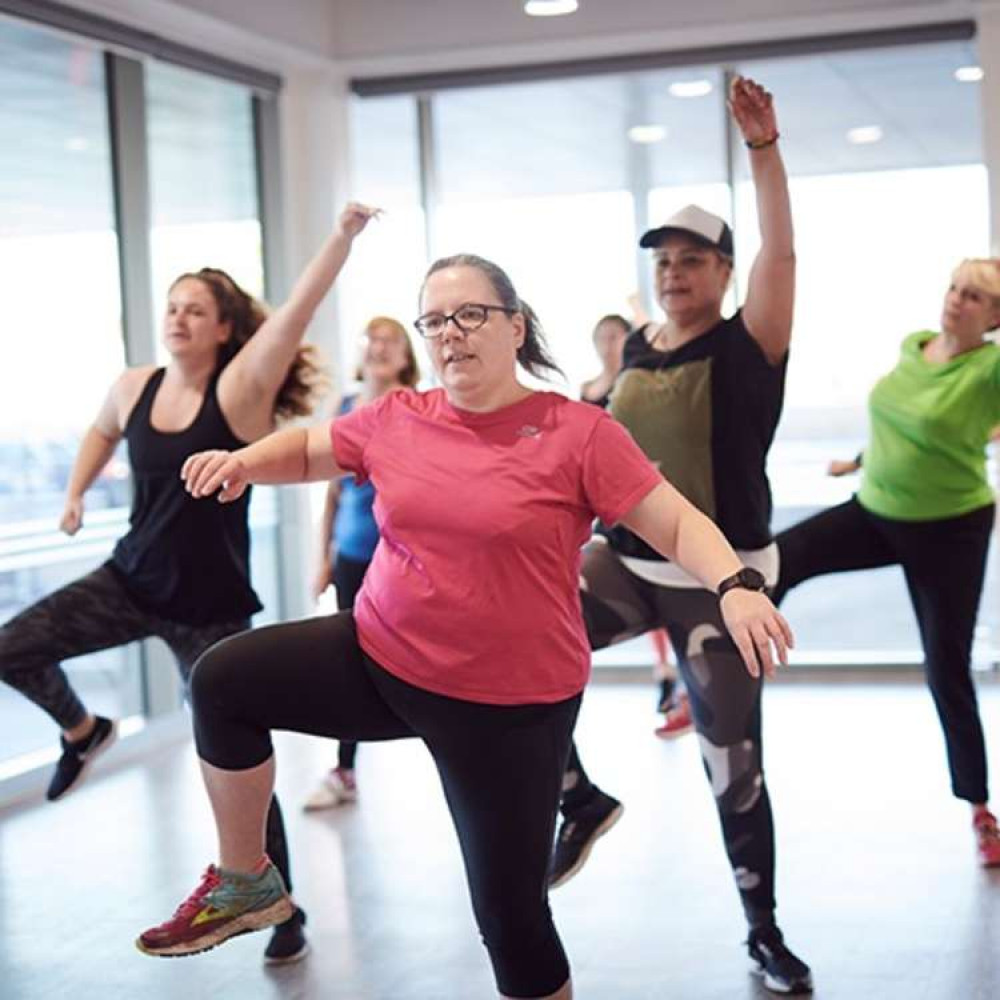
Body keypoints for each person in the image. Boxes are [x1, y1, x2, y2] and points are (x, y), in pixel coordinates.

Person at [134, 247, 793, 1000]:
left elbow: (673, 521)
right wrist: (245, 461)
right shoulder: (399, 417)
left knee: (511, 921)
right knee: (222, 681)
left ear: (516, 328)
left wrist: (736, 584)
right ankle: (247, 879)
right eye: (435, 319)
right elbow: (317, 447)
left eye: (471, 314)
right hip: (381, 656)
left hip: (509, 707)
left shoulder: (576, 431)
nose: (450, 331)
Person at [0, 201, 380, 963]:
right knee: (11, 646)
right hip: (130, 580)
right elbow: (102, 431)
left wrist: (338, 237)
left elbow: (295, 312)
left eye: (194, 310)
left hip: (209, 611)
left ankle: (285, 910)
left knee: (237, 770)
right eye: (172, 306)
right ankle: (85, 731)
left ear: (222, 330)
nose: (177, 318)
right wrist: (76, 492)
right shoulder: (133, 384)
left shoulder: (237, 392)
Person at [548, 76, 813, 995]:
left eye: (695, 258)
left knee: (732, 768)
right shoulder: (634, 352)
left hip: (723, 583)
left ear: (726, 273)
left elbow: (783, 251)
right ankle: (576, 797)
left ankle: (763, 932)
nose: (675, 271)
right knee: (510, 639)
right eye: (665, 259)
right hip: (625, 564)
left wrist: (764, 149)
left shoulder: (750, 344)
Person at [774, 257, 1000, 869]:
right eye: (956, 287)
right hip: (877, 509)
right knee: (780, 557)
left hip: (951, 531)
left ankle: (980, 811)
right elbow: (902, 421)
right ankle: (734, 673)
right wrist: (859, 459)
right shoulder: (913, 347)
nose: (958, 300)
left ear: (996, 317)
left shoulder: (990, 370)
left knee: (945, 670)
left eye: (976, 297)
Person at [304, 316, 420, 811]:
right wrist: (321, 560)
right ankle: (344, 769)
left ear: (406, 354)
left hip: (404, 559)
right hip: (351, 555)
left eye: (390, 340)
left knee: (417, 655)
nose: (378, 347)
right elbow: (330, 495)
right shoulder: (344, 407)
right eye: (371, 338)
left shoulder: (416, 406)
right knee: (349, 662)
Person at [581, 311, 687, 732]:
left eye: (616, 336)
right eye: (602, 336)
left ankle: (669, 673)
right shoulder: (588, 391)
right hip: (604, 519)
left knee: (662, 590)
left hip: (640, 499)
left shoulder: (639, 384)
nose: (610, 344)